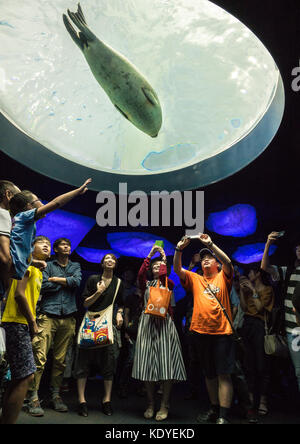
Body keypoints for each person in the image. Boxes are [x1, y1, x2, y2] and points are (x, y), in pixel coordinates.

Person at [173, 233, 234, 424]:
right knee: (209, 373)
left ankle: (223, 416)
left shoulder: (223, 277)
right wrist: (178, 250)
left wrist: (210, 244)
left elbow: (228, 261)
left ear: (216, 264)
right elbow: (177, 269)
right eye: (204, 258)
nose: (206, 260)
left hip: (223, 333)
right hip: (200, 332)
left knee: (223, 373)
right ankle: (214, 409)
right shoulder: (196, 279)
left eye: (210, 258)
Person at [26, 238, 82, 416]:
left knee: (60, 360)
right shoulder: (47, 265)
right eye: (63, 245)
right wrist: (65, 282)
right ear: (56, 249)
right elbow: (42, 285)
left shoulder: (75, 266)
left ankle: (55, 395)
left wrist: (56, 279)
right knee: (39, 358)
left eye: (68, 245)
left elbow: (76, 282)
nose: (67, 247)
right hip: (48, 315)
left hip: (68, 318)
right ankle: (33, 396)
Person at [132, 245, 186, 422]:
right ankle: (150, 403)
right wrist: (150, 255)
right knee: (147, 364)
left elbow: (163, 276)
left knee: (166, 364)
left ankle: (164, 404)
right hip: (147, 323)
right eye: (153, 267)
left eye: (159, 266)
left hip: (164, 324)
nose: (156, 268)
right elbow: (140, 274)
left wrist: (163, 257)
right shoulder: (145, 283)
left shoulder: (168, 283)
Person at [0, 236, 51, 424]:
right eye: (41, 242)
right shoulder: (28, 267)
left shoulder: (37, 270)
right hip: (17, 322)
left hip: (19, 323)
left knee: (18, 376)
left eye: (49, 244)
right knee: (26, 376)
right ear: (32, 247)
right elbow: (19, 295)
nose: (46, 245)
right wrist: (33, 323)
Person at [8, 178, 92, 283]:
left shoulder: (23, 223)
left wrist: (34, 263)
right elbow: (56, 203)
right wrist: (77, 191)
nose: (43, 205)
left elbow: (18, 253)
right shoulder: (23, 216)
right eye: (39, 200)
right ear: (29, 206)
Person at [73, 253, 124, 418]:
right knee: (83, 362)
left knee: (109, 361)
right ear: (102, 263)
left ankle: (106, 400)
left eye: (113, 259)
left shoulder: (118, 283)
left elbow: (120, 303)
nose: (110, 260)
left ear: (115, 264)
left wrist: (120, 313)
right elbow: (86, 303)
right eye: (107, 258)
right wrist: (98, 292)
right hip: (91, 322)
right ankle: (82, 401)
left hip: (108, 324)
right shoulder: (93, 279)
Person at [261, 232, 300, 395]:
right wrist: (268, 244)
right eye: (297, 248)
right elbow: (265, 267)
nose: (299, 251)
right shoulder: (290, 271)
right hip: (294, 331)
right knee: (299, 371)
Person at [239, 267, 274, 422]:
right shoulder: (247, 290)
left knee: (261, 365)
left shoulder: (267, 290)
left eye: (251, 273)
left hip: (260, 326)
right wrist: (241, 291)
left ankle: (263, 399)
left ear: (258, 274)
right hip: (247, 324)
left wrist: (253, 290)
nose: (249, 276)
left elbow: (260, 308)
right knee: (248, 364)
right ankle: (252, 399)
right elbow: (244, 308)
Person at [0, 180, 20, 295]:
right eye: (18, 198)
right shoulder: (3, 214)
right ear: (8, 195)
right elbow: (5, 258)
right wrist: (8, 287)